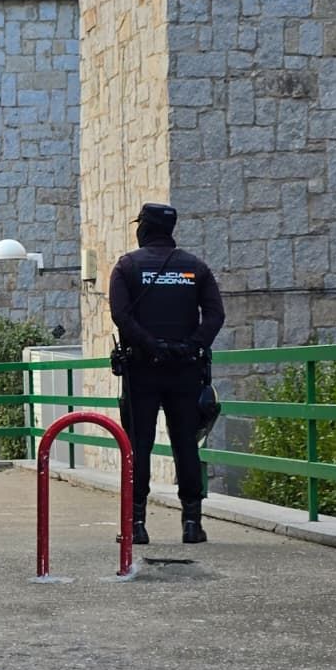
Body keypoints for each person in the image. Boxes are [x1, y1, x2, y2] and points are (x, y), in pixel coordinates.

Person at [108, 203, 225, 545]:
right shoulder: (196, 268)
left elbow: (121, 316)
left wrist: (152, 346)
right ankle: (192, 524)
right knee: (187, 445)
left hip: (142, 369)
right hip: (186, 370)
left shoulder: (127, 266)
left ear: (143, 227)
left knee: (138, 445)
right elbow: (215, 315)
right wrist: (190, 346)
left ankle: (136, 525)